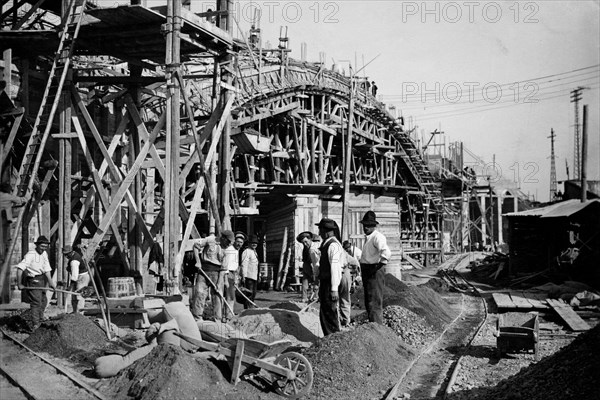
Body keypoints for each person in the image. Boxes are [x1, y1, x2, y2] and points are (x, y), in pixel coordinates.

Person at [16, 235, 57, 331]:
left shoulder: (44, 254)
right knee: (36, 303)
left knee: (44, 301)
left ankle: (40, 319)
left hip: (42, 279)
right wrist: (19, 283)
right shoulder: (31, 255)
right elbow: (19, 268)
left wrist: (51, 282)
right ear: (37, 245)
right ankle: (35, 324)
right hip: (33, 280)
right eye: (42, 246)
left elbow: (47, 269)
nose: (43, 249)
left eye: (45, 247)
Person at [359, 211, 391, 324]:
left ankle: (377, 327)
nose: (366, 227)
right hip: (367, 269)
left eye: (369, 225)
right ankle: (373, 325)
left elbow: (386, 252)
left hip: (374, 270)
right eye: (364, 225)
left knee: (374, 301)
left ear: (374, 226)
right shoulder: (369, 238)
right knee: (369, 300)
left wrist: (378, 266)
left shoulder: (378, 237)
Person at [315, 218, 344, 335]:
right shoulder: (326, 244)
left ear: (326, 231)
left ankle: (334, 337)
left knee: (330, 312)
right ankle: (329, 337)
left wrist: (334, 289)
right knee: (325, 311)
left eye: (320, 230)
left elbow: (335, 268)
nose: (319, 234)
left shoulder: (333, 246)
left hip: (330, 283)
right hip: (325, 282)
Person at [190, 233, 224, 321]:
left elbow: (224, 268)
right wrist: (198, 261)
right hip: (204, 271)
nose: (227, 245)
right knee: (199, 293)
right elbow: (195, 246)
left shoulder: (228, 249)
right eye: (227, 242)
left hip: (217, 273)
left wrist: (220, 282)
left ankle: (217, 319)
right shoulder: (210, 240)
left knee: (217, 295)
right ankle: (197, 318)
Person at [63, 245, 90, 314]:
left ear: (70, 252)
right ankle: (75, 312)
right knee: (74, 295)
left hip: (81, 278)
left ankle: (79, 314)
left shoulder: (74, 261)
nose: (66, 256)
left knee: (79, 296)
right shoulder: (74, 255)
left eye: (66, 254)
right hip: (79, 277)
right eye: (64, 254)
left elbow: (74, 275)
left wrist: (70, 286)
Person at [220, 230, 239, 322]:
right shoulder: (229, 250)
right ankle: (227, 316)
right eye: (238, 242)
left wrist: (236, 277)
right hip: (227, 274)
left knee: (231, 296)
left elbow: (235, 265)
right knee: (229, 296)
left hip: (233, 273)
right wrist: (226, 279)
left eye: (241, 243)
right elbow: (225, 265)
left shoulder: (235, 251)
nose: (239, 244)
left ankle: (228, 315)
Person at [296, 231, 319, 303]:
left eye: (306, 242)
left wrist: (315, 269)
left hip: (315, 264)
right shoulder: (305, 248)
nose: (305, 244)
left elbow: (316, 261)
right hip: (306, 265)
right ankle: (304, 298)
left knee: (316, 281)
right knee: (305, 282)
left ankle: (316, 297)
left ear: (310, 239)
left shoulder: (316, 247)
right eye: (303, 243)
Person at [240, 235, 259, 308]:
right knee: (248, 295)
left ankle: (251, 308)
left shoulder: (254, 252)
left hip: (254, 276)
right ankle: (247, 309)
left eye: (256, 243)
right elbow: (244, 264)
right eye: (252, 243)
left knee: (253, 294)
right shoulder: (247, 251)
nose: (254, 244)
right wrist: (244, 276)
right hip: (248, 277)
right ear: (249, 243)